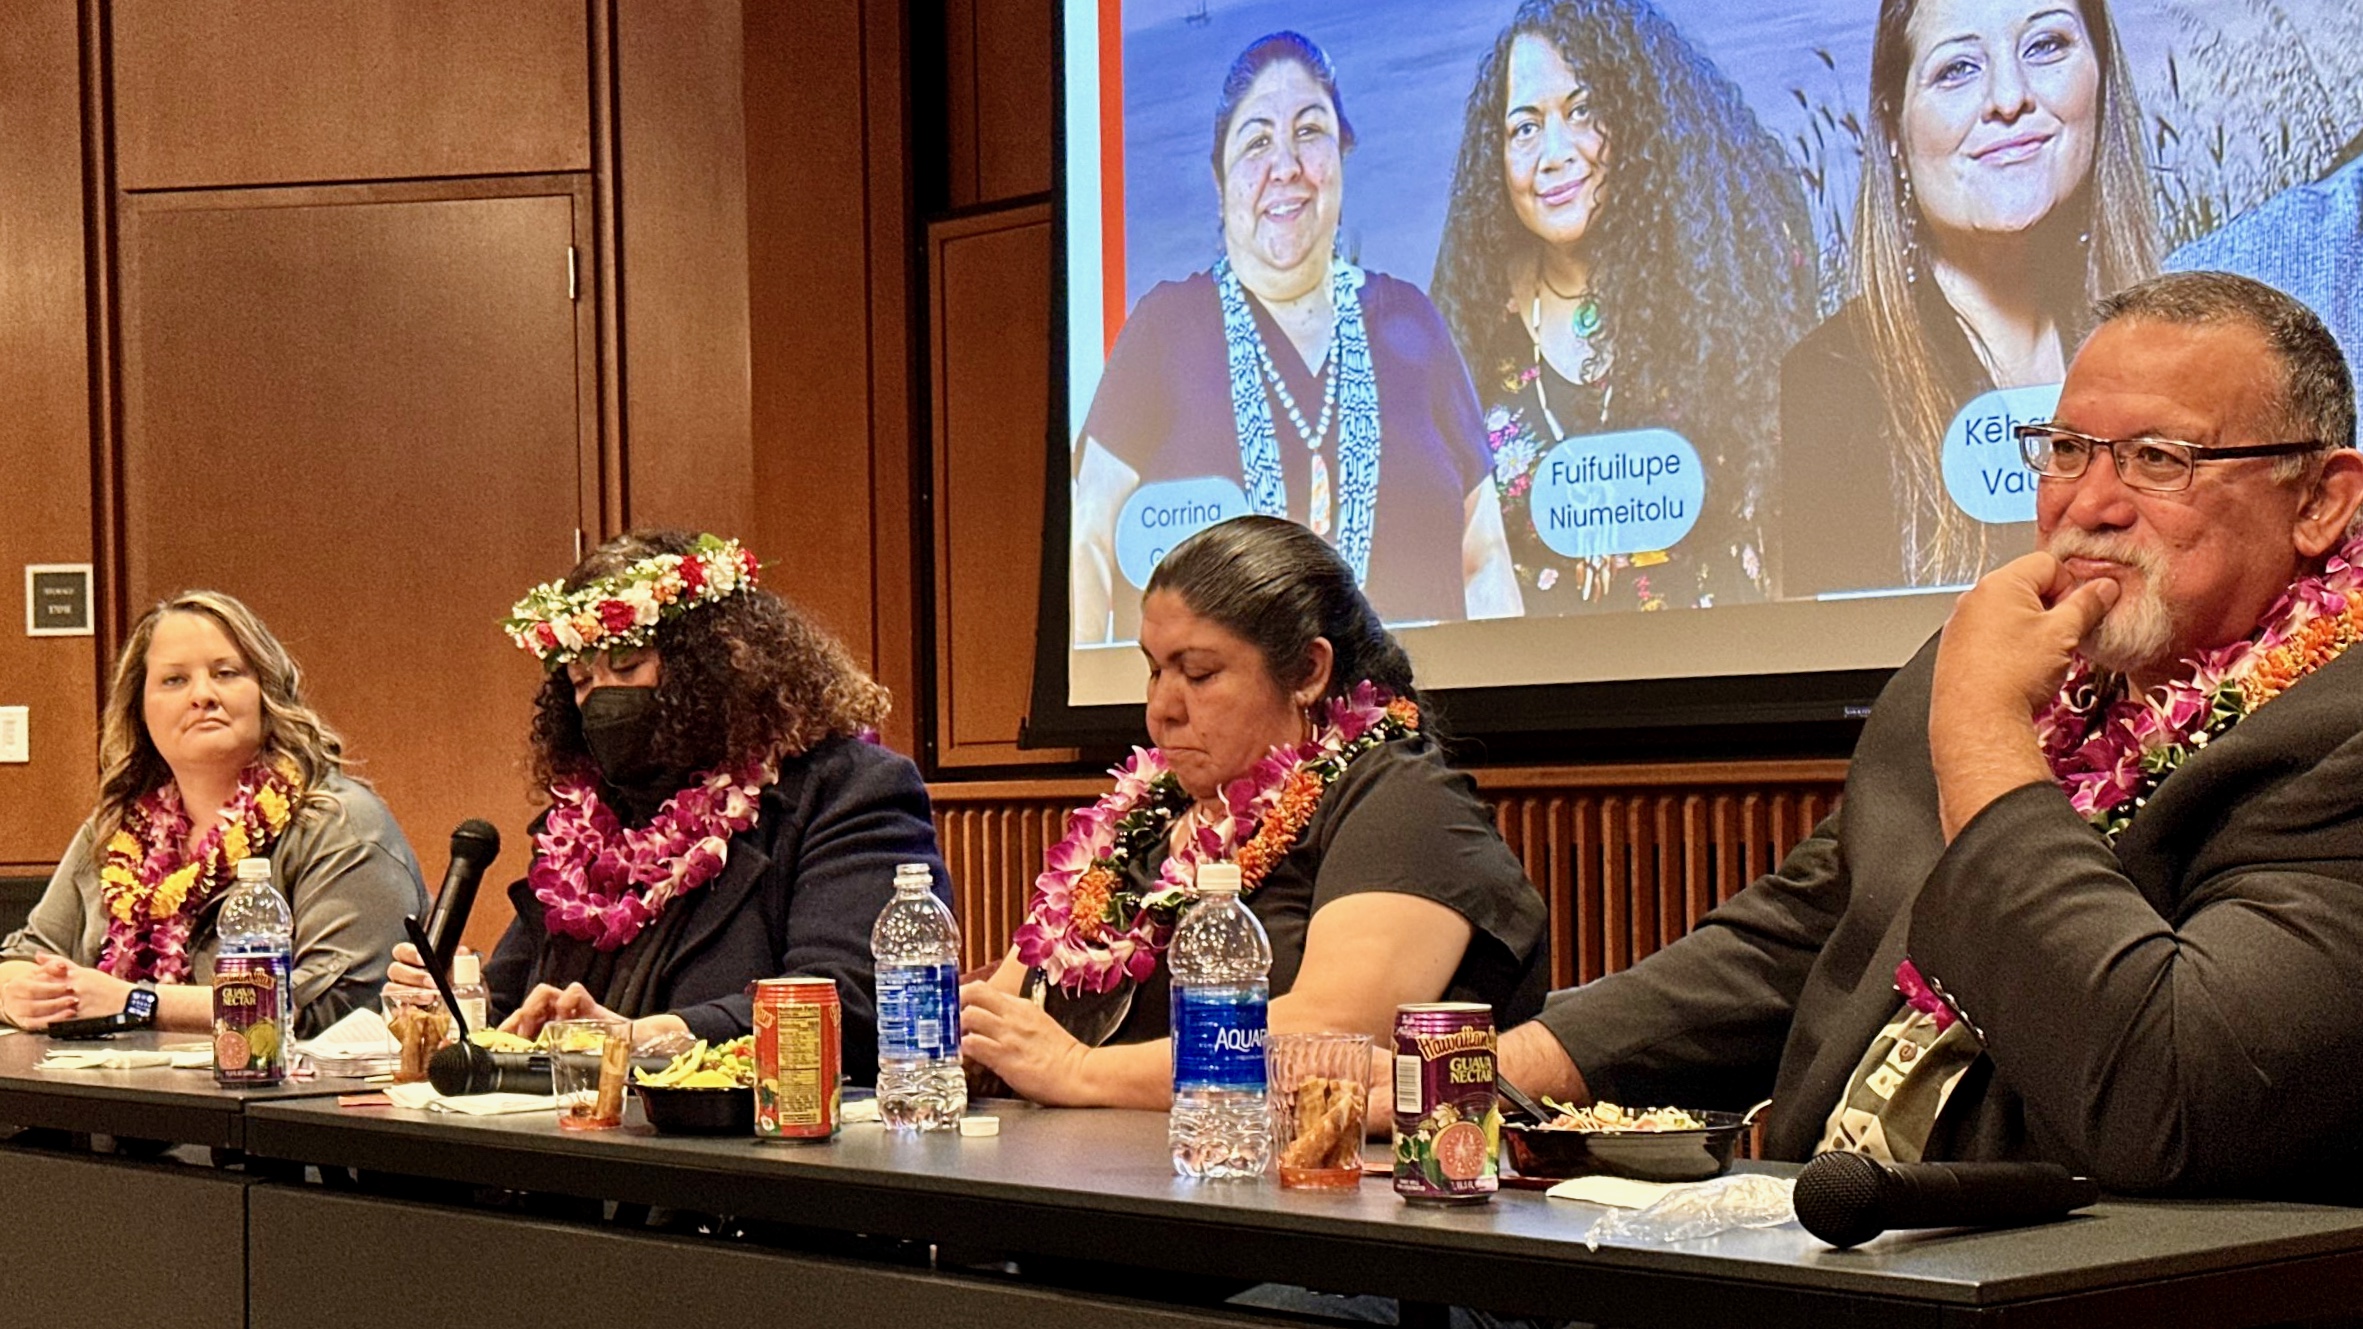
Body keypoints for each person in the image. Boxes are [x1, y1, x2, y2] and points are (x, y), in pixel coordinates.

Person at [1495, 272, 2363, 1195]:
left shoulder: (2336, 736)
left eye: (2157, 459)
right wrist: (1492, 1072)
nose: (2087, 505)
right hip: (1821, 1227)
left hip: (2068, 1257)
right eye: (2067, 450)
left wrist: (1987, 735)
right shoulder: (1995, 664)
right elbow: (1798, 937)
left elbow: (2171, 1099)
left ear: (2318, 501)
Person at [966, 515, 1548, 1108]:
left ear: (1307, 672)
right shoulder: (1145, 815)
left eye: (1198, 674)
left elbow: (1334, 1036)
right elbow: (1007, 1007)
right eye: (1155, 670)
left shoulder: (1406, 805)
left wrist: (1079, 1071)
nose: (1161, 709)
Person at [382, 531, 947, 1084]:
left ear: (718, 662)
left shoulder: (847, 790)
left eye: (627, 666)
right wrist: (460, 1003)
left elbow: (854, 1001)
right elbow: (515, 1007)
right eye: (582, 680)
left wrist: (652, 1038)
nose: (603, 699)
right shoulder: (579, 831)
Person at [1071, 32, 1521, 644]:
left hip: (1416, 704)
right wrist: (1104, 680)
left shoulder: (1412, 319)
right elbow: (1090, 539)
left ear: (1342, 154)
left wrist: (1500, 687)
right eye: (1257, 141)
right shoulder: (1166, 327)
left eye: (1309, 131)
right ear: (1219, 181)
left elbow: (1485, 551)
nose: (1285, 167)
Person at [1430, 0, 1814, 612]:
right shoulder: (1471, 318)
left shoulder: (1723, 289)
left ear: (1636, 116)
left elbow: (1792, 520)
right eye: (1524, 128)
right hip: (1538, 665)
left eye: (1582, 111)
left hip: (1725, 656)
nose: (1554, 154)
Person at [1781, 0, 2157, 596]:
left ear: (2101, 75)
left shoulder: (2180, 349)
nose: (2009, 98)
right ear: (1895, 130)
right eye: (1957, 68)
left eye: (2045, 45)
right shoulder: (1831, 380)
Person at [1, 591, 424, 1038]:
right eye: (174, 680)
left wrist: (136, 1003)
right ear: (139, 709)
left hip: (275, 1082)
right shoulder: (116, 832)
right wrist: (15, 994)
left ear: (266, 692)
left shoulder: (340, 822)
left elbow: (334, 1007)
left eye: (226, 673)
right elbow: (25, 956)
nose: (203, 695)